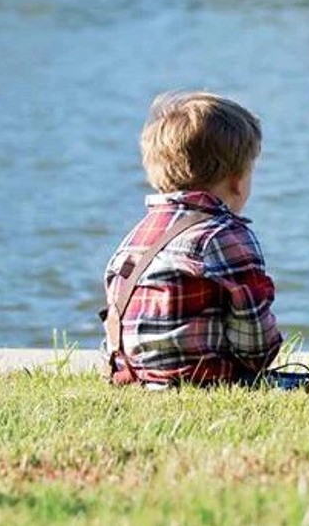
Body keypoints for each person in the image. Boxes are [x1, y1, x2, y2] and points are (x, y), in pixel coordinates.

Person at [103, 91, 284, 387]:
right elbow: (256, 347)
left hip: (134, 378)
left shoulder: (137, 236)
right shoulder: (225, 234)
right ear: (237, 181)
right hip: (204, 380)